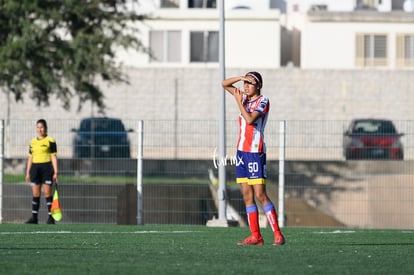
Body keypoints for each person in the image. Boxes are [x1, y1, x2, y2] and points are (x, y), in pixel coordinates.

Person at [222, 71, 285, 246]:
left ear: (259, 86)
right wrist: (240, 78)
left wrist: (238, 101)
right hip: (241, 153)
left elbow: (250, 120)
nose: (246, 86)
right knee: (247, 195)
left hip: (255, 153)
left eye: (250, 83)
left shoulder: (263, 101)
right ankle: (256, 236)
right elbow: (224, 84)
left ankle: (278, 234)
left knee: (260, 194)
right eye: (245, 83)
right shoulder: (244, 98)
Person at [25, 119, 58, 224]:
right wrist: (27, 172)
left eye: (42, 127)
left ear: (45, 128)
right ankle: (34, 218)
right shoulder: (32, 142)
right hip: (35, 168)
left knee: (47, 193)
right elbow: (30, 157)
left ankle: (51, 218)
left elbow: (53, 156)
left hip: (46, 168)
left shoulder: (50, 140)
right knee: (35, 193)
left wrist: (56, 172)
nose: (40, 129)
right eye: (38, 127)